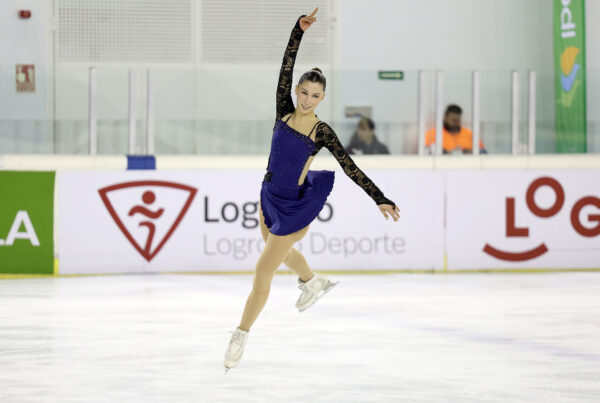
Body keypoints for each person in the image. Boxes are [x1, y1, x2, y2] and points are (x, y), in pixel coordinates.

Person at [224, 8, 400, 371]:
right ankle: (312, 280)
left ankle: (240, 334)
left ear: (322, 98)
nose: (306, 99)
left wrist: (379, 196)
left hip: (293, 207)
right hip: (267, 198)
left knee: (262, 273)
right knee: (284, 256)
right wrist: (297, 31)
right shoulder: (283, 113)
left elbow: (350, 166)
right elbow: (285, 67)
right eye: (303, 92)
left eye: (314, 95)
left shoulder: (321, 131)